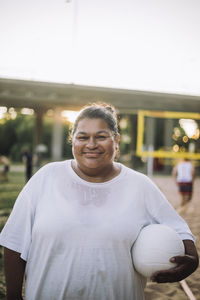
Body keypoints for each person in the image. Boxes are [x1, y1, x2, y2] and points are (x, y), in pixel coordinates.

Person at [0, 103, 198, 300]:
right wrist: (13, 296)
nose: (91, 144)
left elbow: (178, 228)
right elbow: (15, 242)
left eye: (101, 136)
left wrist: (191, 260)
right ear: (72, 140)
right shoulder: (46, 177)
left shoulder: (140, 185)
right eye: (82, 137)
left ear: (116, 140)